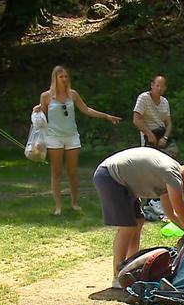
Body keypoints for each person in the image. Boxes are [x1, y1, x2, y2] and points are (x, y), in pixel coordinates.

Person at [92, 147, 184, 288]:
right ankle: (117, 276)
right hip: (110, 176)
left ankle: (129, 267)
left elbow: (170, 212)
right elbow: (180, 209)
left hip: (121, 181)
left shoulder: (168, 175)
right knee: (127, 226)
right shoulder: (173, 174)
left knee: (138, 221)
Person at [33, 65, 122, 216]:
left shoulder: (72, 94)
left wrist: (106, 116)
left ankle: (75, 202)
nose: (64, 79)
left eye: (66, 76)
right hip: (54, 137)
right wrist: (37, 110)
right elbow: (42, 116)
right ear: (55, 78)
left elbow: (86, 109)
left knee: (72, 172)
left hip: (71, 136)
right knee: (56, 172)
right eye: (61, 77)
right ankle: (58, 206)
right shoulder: (46, 96)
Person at [132, 74, 179, 158]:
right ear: (152, 85)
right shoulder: (143, 98)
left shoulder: (165, 102)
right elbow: (136, 120)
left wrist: (165, 138)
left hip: (162, 133)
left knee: (174, 155)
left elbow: (168, 123)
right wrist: (149, 134)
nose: (159, 89)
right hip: (149, 135)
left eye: (162, 86)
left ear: (165, 88)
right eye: (157, 86)